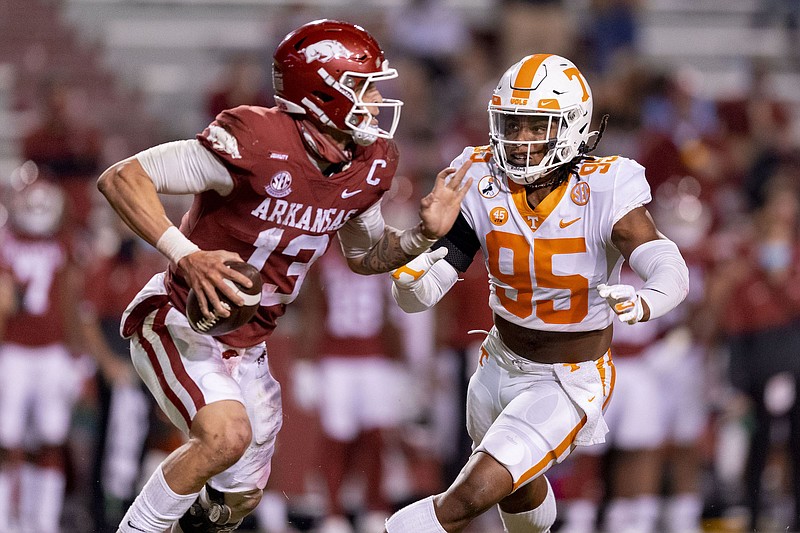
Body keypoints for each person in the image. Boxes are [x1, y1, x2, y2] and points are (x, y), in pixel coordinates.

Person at [96, 19, 471, 533]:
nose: (378, 98)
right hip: (184, 319)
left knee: (236, 501)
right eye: (363, 86)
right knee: (224, 437)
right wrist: (186, 255)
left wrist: (420, 237)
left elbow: (364, 255)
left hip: (250, 344)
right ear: (321, 91)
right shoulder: (255, 138)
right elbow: (123, 178)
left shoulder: (370, 162)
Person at [387, 53, 690, 533]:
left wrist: (649, 298)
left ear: (571, 127)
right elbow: (427, 290)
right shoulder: (479, 176)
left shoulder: (607, 184)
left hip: (566, 377)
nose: (520, 139)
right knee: (518, 491)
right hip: (495, 367)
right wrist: (409, 277)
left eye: (536, 126)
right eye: (512, 123)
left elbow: (665, 261)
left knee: (467, 496)